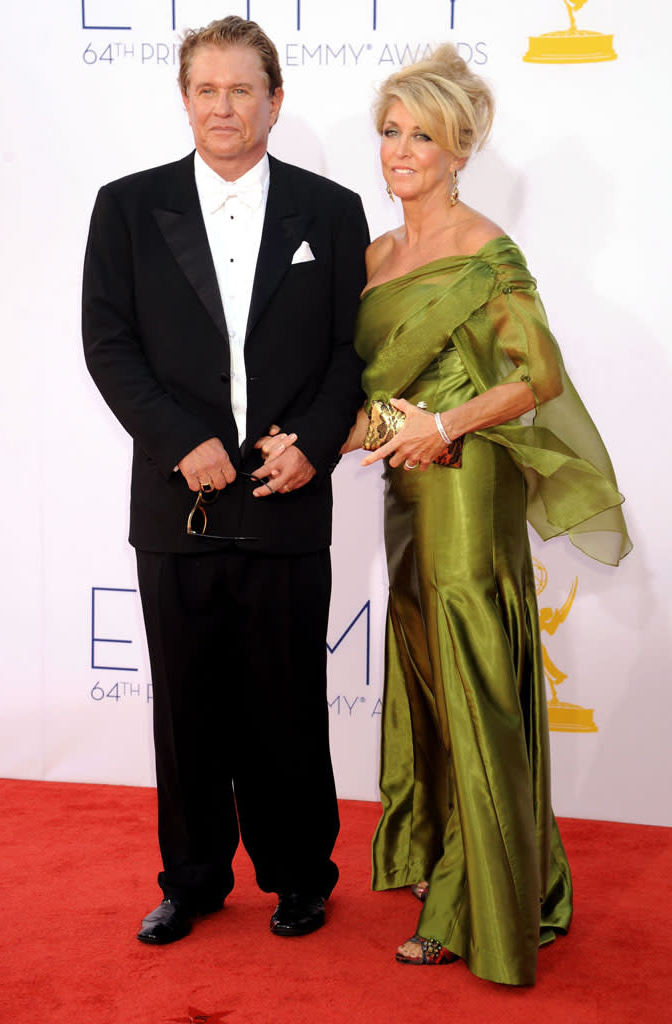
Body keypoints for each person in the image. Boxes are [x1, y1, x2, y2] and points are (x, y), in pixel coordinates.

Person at [346, 45, 631, 985]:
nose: (400, 151)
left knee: (474, 679)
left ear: (459, 150)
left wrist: (445, 423)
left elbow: (536, 380)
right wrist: (349, 431)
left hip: (469, 482)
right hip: (405, 487)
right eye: (389, 132)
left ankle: (478, 905)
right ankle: (480, 867)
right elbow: (371, 388)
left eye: (420, 136)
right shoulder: (373, 255)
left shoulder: (485, 250)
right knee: (430, 671)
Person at [82, 15, 369, 945]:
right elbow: (108, 345)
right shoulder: (125, 206)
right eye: (205, 89)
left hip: (289, 496)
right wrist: (178, 440)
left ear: (274, 101)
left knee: (287, 702)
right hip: (179, 504)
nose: (222, 106)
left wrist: (315, 445)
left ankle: (299, 877)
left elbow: (347, 353)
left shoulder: (330, 211)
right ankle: (193, 880)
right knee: (189, 708)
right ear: (184, 99)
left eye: (241, 89)